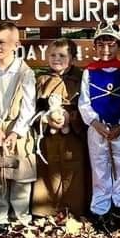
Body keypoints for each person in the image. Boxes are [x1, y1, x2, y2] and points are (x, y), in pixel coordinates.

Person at [78, 21, 120, 230]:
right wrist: (94, 122)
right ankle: (100, 206)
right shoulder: (89, 72)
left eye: (111, 45)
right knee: (99, 164)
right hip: (97, 128)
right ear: (95, 47)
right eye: (101, 45)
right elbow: (84, 101)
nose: (106, 49)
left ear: (118, 46)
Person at [0, 22, 38, 227]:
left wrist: (16, 131)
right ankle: (0, 217)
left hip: (18, 129)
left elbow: (29, 106)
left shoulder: (25, 73)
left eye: (2, 42)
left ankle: (21, 217)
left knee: (20, 173)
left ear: (16, 44)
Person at [31, 38, 90, 218]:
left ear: (72, 59)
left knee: (74, 171)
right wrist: (45, 118)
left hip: (73, 134)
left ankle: (75, 209)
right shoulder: (41, 79)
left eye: (62, 55)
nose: (57, 59)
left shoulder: (80, 78)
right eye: (53, 55)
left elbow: (87, 105)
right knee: (49, 170)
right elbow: (32, 108)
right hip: (49, 135)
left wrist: (69, 119)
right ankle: (47, 209)